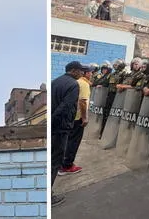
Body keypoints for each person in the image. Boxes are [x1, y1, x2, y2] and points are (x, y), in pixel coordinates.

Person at [51, 61, 86, 207]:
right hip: (61, 127)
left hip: (54, 126)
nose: (82, 73)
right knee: (55, 160)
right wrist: (56, 121)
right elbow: (66, 106)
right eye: (80, 71)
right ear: (73, 71)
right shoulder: (73, 85)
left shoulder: (56, 81)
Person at [59, 65, 93, 176]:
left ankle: (62, 163)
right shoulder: (84, 84)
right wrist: (84, 117)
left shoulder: (75, 82)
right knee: (73, 142)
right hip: (77, 118)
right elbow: (83, 102)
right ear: (86, 73)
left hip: (68, 117)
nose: (91, 74)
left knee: (67, 140)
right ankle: (67, 166)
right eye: (90, 72)